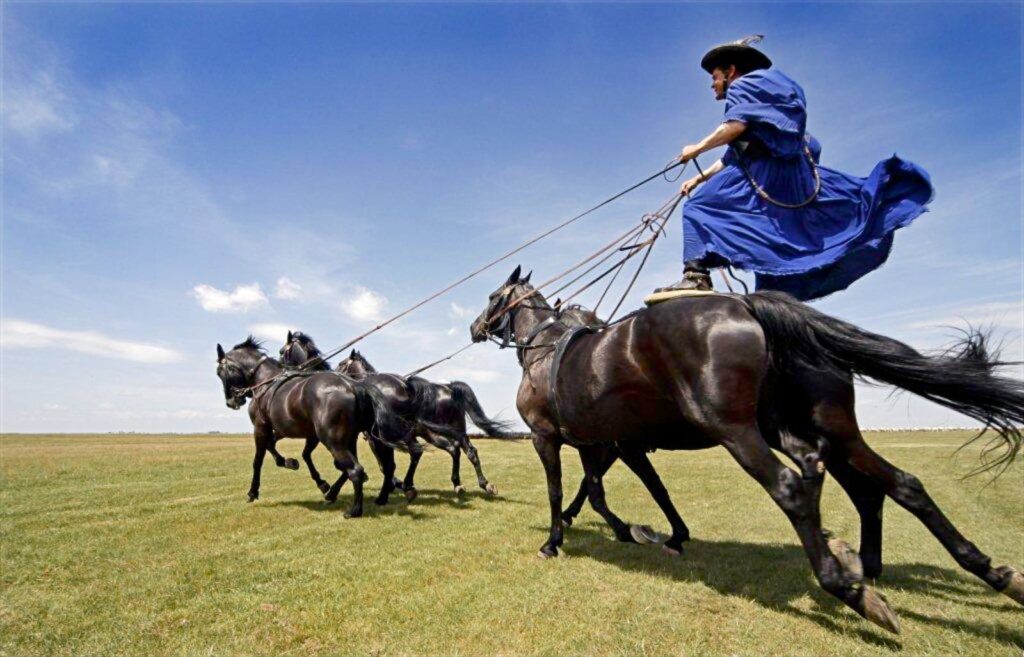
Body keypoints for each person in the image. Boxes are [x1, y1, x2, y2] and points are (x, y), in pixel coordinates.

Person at [657, 36, 933, 300]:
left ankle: (696, 276)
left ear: (731, 71)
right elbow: (735, 154)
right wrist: (696, 178)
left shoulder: (744, 87)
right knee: (749, 232)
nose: (712, 84)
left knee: (699, 208)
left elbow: (734, 127)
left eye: (714, 76)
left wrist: (697, 148)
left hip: (769, 179)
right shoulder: (764, 97)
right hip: (785, 178)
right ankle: (772, 294)